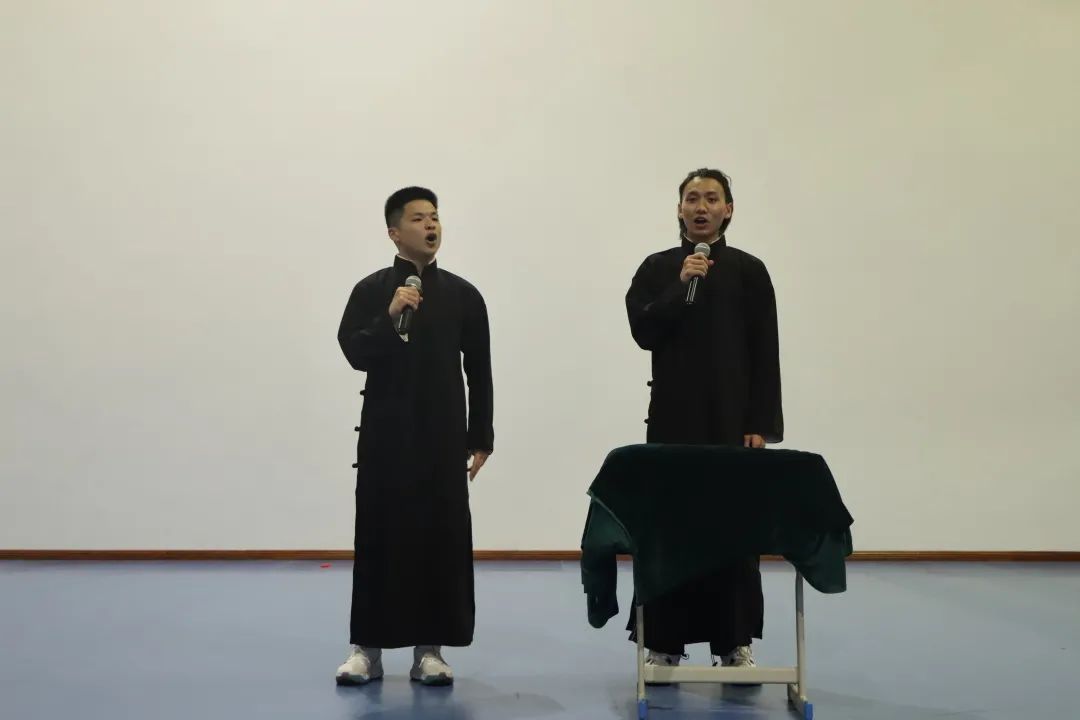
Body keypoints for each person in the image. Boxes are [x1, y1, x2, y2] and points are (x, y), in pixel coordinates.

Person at [624, 167, 783, 675]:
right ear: (679, 209)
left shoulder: (749, 271)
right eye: (692, 198)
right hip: (672, 421)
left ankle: (733, 643)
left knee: (732, 531)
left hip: (732, 423)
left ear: (728, 210)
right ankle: (664, 642)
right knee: (669, 529)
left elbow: (765, 351)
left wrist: (761, 423)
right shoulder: (657, 268)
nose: (701, 207)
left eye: (711, 198)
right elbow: (644, 332)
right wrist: (680, 285)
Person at [334, 186, 494, 686]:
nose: (431, 226)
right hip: (385, 435)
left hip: (442, 437)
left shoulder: (464, 295)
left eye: (435, 217)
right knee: (379, 536)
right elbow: (355, 353)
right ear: (394, 232)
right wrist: (389, 315)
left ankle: (430, 650)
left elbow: (479, 370)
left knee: (439, 539)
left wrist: (481, 435)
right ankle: (367, 649)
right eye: (419, 218)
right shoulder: (370, 291)